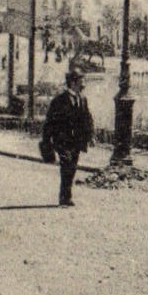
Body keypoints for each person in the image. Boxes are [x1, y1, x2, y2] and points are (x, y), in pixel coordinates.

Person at [41, 68, 94, 207]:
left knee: (72, 168)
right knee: (66, 165)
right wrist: (47, 140)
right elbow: (49, 121)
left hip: (76, 141)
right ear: (73, 82)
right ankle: (64, 197)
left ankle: (66, 197)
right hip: (62, 140)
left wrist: (90, 136)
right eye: (81, 80)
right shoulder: (59, 100)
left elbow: (87, 118)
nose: (84, 83)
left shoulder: (82, 99)